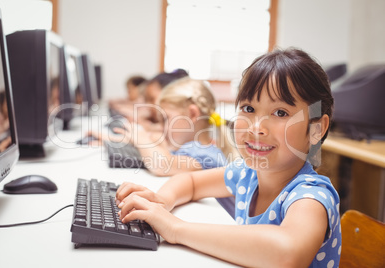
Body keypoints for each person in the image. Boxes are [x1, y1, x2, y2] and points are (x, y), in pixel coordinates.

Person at [115, 48, 341, 268]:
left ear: (316, 129)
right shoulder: (247, 173)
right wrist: (161, 201)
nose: (256, 127)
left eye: (280, 112)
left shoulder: (311, 196)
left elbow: (287, 255)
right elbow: (191, 183)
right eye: (249, 108)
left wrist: (175, 228)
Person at [109, 77, 239, 177]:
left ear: (192, 114)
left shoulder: (207, 157)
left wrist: (141, 140)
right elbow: (157, 141)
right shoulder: (189, 148)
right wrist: (113, 139)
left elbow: (162, 165)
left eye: (167, 119)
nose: (164, 127)